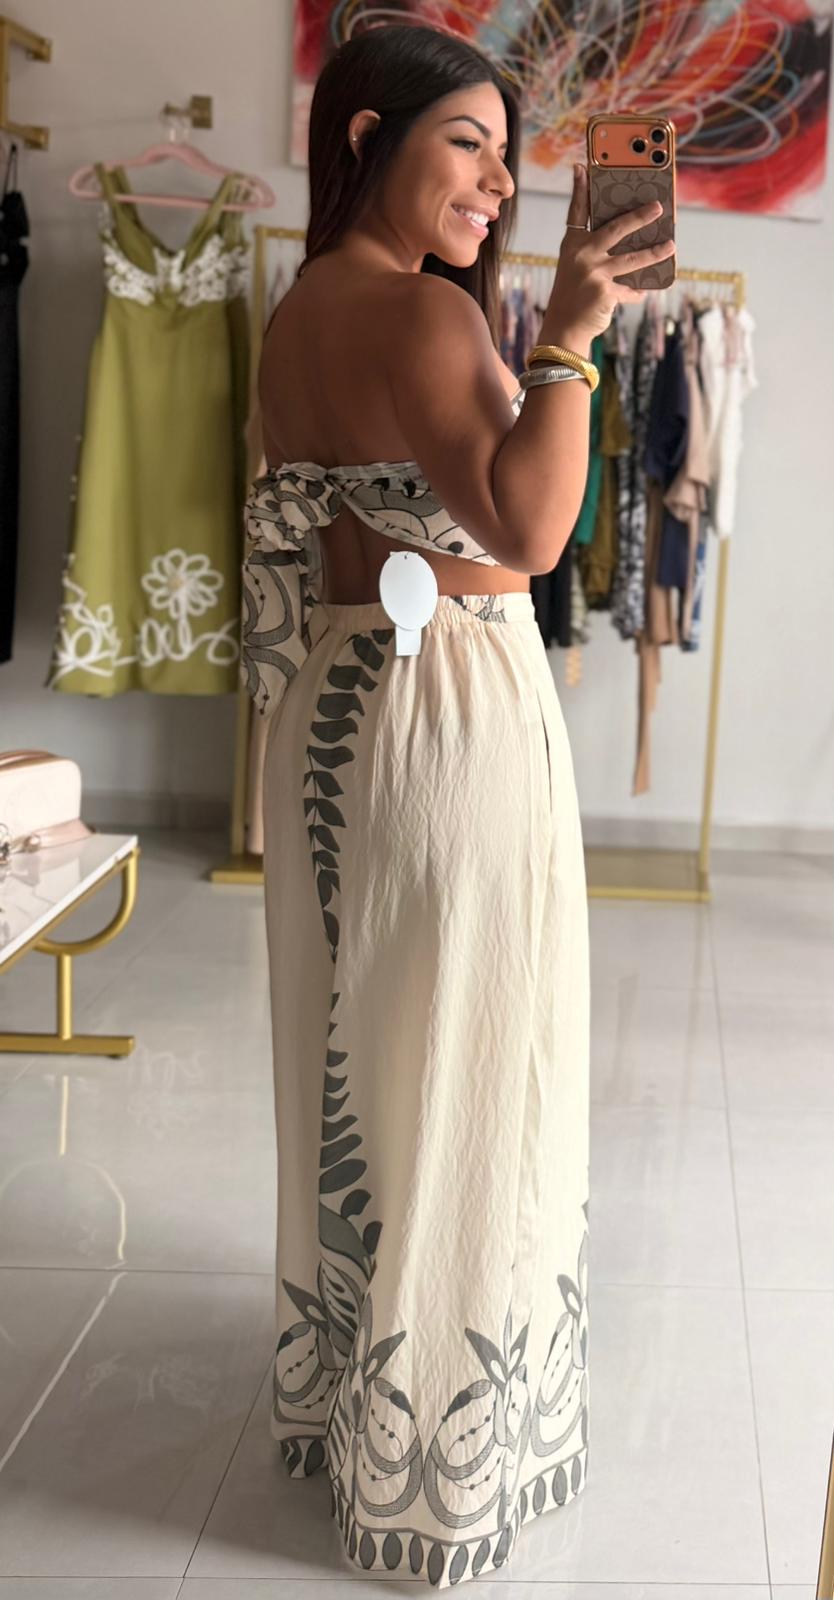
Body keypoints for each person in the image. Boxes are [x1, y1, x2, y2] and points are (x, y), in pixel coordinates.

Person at [247, 23, 675, 1589]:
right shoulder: (420, 316)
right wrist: (564, 338)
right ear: (369, 136)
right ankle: (434, 1460)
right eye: (467, 145)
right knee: (467, 1058)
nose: (499, 183)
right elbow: (535, 529)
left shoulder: (307, 304)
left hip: (342, 705)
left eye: (508, 154)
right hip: (446, 710)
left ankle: (356, 1397)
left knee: (368, 1049)